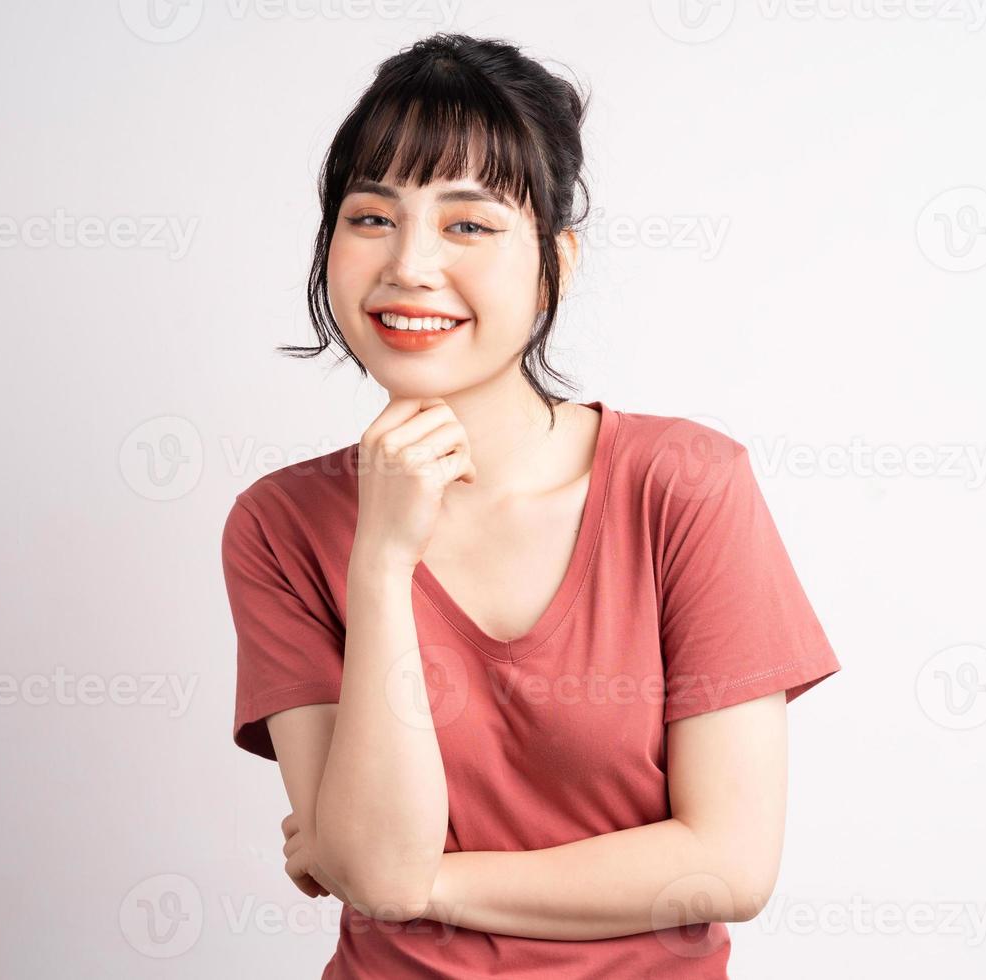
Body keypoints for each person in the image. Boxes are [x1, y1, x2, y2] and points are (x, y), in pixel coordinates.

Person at [221, 32, 841, 978]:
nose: (411, 266)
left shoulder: (684, 485)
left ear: (557, 259)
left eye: (468, 225)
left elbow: (728, 862)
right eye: (371, 217)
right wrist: (382, 562)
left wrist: (427, 887)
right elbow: (376, 859)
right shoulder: (282, 526)